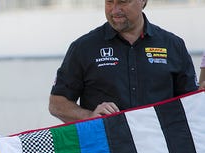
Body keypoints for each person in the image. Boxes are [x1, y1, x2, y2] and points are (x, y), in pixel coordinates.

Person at [48, 0, 198, 123]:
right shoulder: (83, 47)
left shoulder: (173, 45)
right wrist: (89, 116)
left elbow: (193, 104)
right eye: (109, 2)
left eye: (122, 2)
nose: (114, 10)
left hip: (159, 151)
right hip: (105, 151)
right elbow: (57, 103)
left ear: (143, 1)